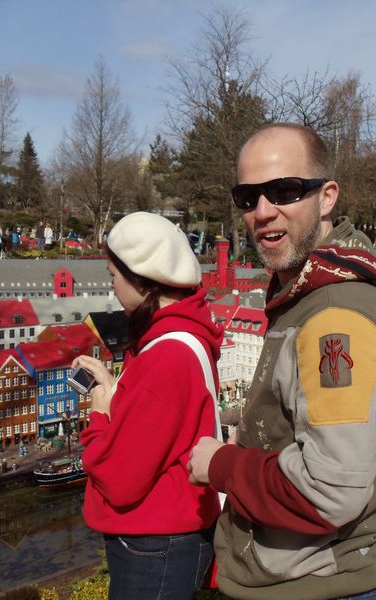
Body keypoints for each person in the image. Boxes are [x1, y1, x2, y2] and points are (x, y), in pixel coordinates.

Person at [187, 124, 376, 600]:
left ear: (326, 197)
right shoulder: (305, 293)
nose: (263, 212)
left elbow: (330, 490)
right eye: (248, 197)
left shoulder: (334, 318)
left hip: (316, 579)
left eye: (284, 191)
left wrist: (222, 464)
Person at [73, 211, 222, 600]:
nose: (111, 288)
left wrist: (100, 411)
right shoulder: (184, 335)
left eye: (113, 277)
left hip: (156, 543)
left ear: (140, 281)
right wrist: (118, 388)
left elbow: (119, 479)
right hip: (175, 532)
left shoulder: (164, 357)